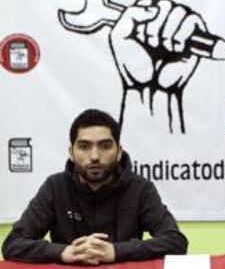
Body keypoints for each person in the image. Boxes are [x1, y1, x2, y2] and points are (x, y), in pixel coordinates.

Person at [2, 109, 188, 265]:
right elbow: (13, 244)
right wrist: (64, 252)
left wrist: (116, 251)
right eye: (84, 147)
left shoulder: (140, 188)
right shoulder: (55, 187)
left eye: (105, 146)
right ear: (71, 152)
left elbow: (176, 242)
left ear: (119, 151)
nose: (95, 156)